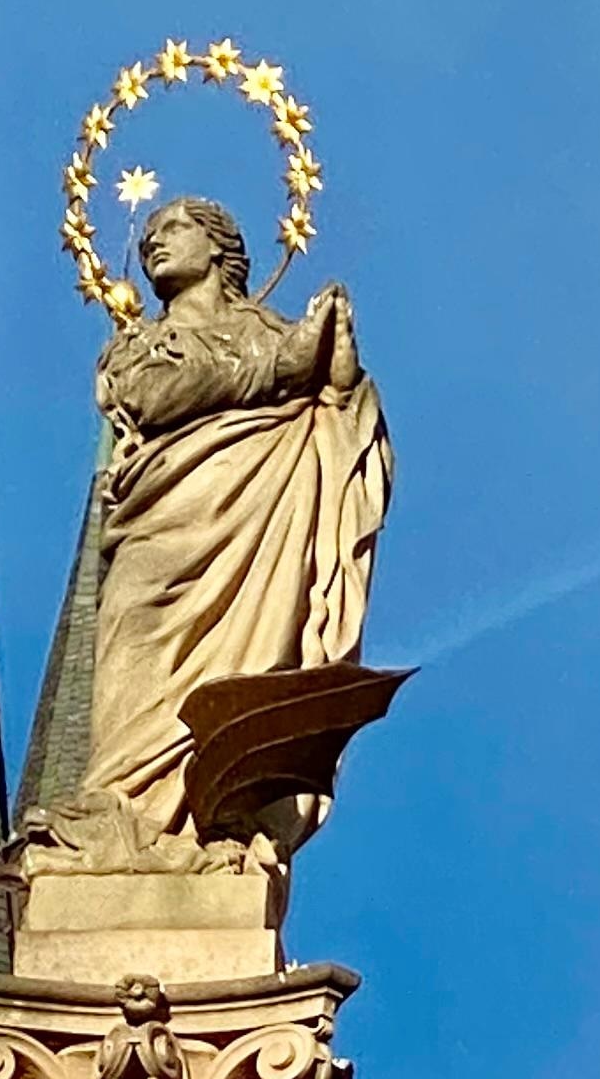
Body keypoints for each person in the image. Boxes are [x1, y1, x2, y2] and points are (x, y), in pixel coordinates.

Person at [74, 193, 390, 849]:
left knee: (242, 671)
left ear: (219, 248)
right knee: (133, 644)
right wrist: (285, 368)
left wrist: (339, 381)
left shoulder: (275, 332)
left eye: (172, 228)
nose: (152, 241)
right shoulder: (140, 344)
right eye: (148, 233)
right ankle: (121, 806)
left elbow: (340, 431)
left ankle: (218, 818)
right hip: (162, 525)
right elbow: (153, 394)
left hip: (256, 525)